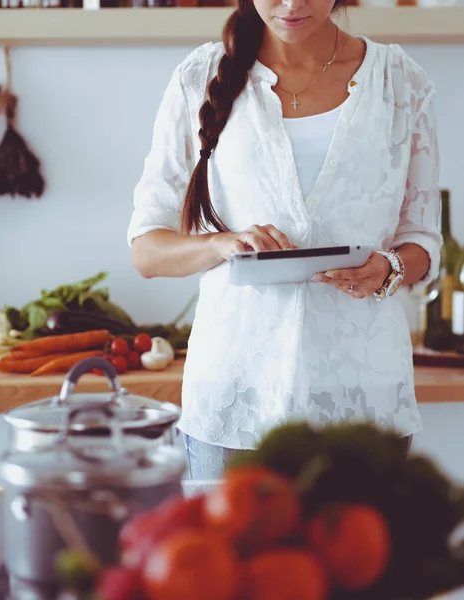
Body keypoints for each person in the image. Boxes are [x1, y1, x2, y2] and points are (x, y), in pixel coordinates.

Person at [128, 0, 442, 479]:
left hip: (363, 396)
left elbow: (422, 238)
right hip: (234, 398)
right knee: (223, 556)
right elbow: (147, 249)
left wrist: (390, 268)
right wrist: (223, 244)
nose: (292, 4)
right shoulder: (200, 77)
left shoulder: (401, 81)